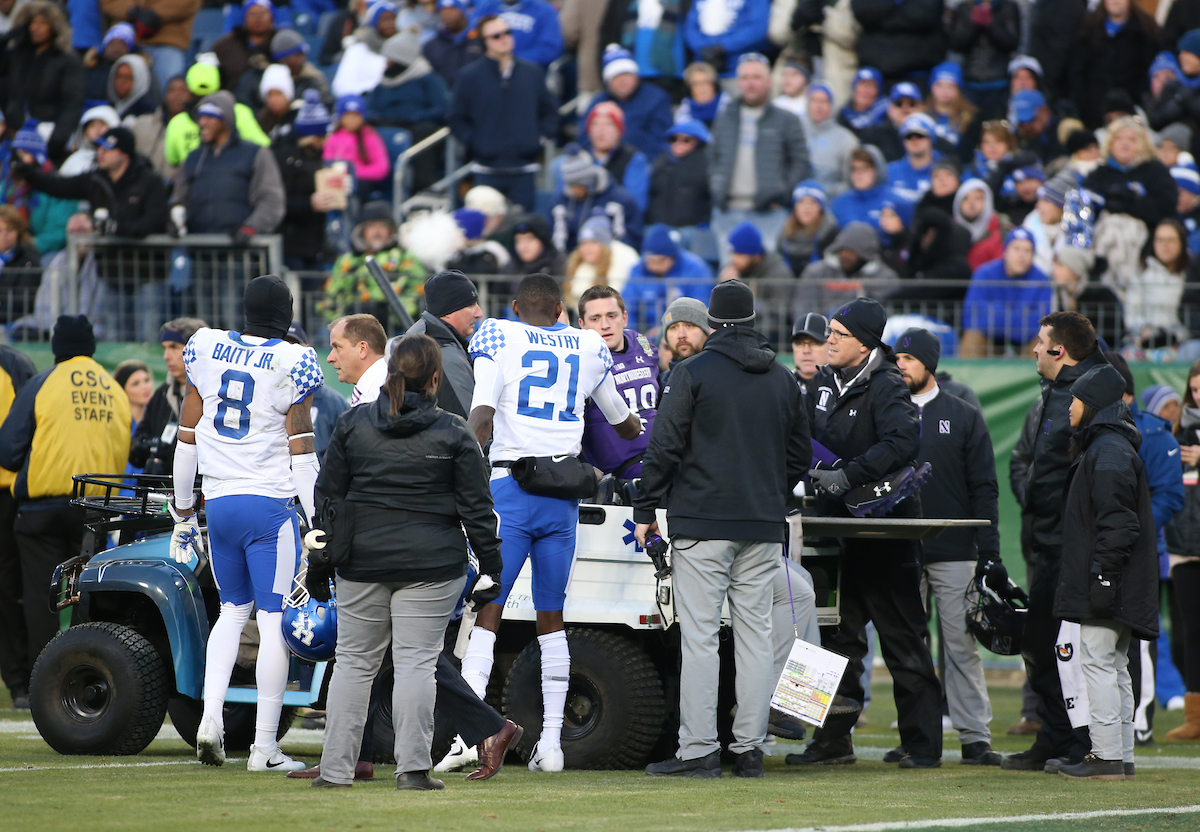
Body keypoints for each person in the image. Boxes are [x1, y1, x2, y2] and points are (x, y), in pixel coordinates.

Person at [307, 332, 506, 790]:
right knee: (417, 664)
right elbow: (478, 509)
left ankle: (336, 771)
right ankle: (413, 771)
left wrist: (320, 563)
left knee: (354, 664)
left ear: (392, 372)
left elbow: (328, 502)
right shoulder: (454, 430)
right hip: (431, 566)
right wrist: (493, 567)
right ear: (435, 377)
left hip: (361, 561)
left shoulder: (355, 423)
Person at [460, 274, 642, 772]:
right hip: (562, 497)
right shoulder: (588, 346)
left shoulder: (500, 335)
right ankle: (554, 746)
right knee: (552, 618)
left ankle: (468, 738)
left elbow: (480, 418)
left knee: (488, 612)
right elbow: (624, 423)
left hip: (511, 489)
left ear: (517, 306)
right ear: (562, 309)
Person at [636, 279, 810, 779]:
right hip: (761, 523)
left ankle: (699, 751)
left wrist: (646, 507)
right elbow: (799, 454)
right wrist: (769, 493)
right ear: (754, 320)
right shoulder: (782, 379)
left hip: (702, 524)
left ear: (712, 322)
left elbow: (664, 448)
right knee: (756, 637)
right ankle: (749, 750)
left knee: (702, 639)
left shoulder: (694, 373)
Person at [170, 275, 321, 772]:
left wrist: (183, 512)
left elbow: (187, 436)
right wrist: (319, 518)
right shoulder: (294, 359)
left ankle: (209, 721)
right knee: (274, 618)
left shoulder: (207, 347)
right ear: (287, 313)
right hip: (268, 507)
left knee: (232, 612)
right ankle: (263, 747)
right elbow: (301, 447)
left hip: (219, 502)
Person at [893, 327, 1003, 767]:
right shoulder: (884, 411)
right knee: (907, 647)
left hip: (956, 549)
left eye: (908, 358)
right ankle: (915, 738)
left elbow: (984, 486)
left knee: (961, 644)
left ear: (929, 364)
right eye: (896, 358)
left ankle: (975, 738)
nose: (899, 364)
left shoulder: (963, 413)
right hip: (899, 548)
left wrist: (988, 549)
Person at [1003, 311, 1106, 773]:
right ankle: (1055, 737)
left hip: (1068, 545)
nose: (1033, 349)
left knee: (1060, 647)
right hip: (1048, 540)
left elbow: (1090, 473)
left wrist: (1057, 519)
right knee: (1043, 644)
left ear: (1059, 350)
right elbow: (1037, 466)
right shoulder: (1056, 393)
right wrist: (1032, 504)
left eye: (1039, 342)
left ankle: (1077, 742)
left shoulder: (1085, 397)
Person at [0, 316, 130, 678]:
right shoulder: (114, 388)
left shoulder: (44, 382)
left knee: (45, 598)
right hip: (97, 510)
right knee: (91, 597)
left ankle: (39, 683)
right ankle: (92, 678)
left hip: (42, 509)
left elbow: (7, 450)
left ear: (57, 347)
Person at [1055, 363, 1159, 780]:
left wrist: (1102, 575)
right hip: (1118, 578)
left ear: (1094, 404)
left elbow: (1119, 523)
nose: (1069, 406)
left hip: (1110, 579)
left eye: (1076, 399)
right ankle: (1121, 753)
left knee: (1099, 660)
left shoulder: (1108, 450)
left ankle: (1106, 755)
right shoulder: (1109, 446)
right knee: (1114, 663)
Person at [446, 13, 558, 212]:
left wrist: (537, 138)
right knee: (485, 229)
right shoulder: (469, 77)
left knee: (524, 231)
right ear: (485, 42)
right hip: (486, 169)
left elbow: (549, 111)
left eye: (507, 32)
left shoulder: (532, 73)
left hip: (525, 169)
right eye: (496, 36)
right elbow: (456, 118)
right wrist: (477, 142)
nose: (504, 38)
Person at [709, 52, 810, 257]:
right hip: (727, 212)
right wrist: (717, 187)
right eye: (745, 78)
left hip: (769, 214)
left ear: (769, 81)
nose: (751, 83)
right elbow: (712, 158)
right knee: (729, 279)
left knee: (765, 273)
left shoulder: (786, 120)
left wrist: (781, 194)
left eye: (756, 77)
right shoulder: (724, 117)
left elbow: (800, 162)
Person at [170, 91, 285, 241]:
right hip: (199, 250)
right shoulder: (193, 158)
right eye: (200, 117)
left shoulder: (255, 154)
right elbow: (179, 200)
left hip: (242, 252)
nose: (202, 123)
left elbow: (271, 200)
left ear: (225, 119)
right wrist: (174, 217)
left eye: (209, 117)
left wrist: (252, 227)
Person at [15, 126, 167, 238]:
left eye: (107, 149)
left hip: (146, 268)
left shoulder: (150, 181)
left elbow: (154, 221)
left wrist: (117, 228)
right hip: (107, 269)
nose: (100, 152)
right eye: (99, 148)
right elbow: (59, 186)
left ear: (124, 155)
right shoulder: (95, 179)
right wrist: (29, 174)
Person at [577, 285, 657, 478]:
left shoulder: (642, 344)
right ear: (582, 324)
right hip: (618, 475)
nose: (605, 325)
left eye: (611, 316)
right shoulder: (579, 361)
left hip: (660, 457)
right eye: (595, 319)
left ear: (625, 318)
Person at [0, 342, 36, 710]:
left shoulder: (12, 365)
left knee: (10, 586)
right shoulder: (16, 363)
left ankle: (19, 677)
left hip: (6, 492)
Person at [1165, 362, 1200, 741]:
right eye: (1194, 389)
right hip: (1183, 545)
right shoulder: (1180, 430)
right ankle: (1195, 715)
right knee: (1189, 632)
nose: (1198, 396)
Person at [4, 2, 84, 163]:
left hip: (46, 139)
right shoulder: (19, 56)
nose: (36, 27)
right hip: (13, 136)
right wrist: (11, 35)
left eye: (43, 23)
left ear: (55, 26)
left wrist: (56, 141)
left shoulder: (67, 61)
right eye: (33, 22)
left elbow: (72, 105)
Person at [323, 201, 426, 325]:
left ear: (391, 229)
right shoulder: (347, 260)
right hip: (352, 328)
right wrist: (343, 321)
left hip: (393, 328)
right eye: (371, 226)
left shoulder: (404, 257)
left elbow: (414, 292)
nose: (377, 231)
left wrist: (388, 316)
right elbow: (332, 296)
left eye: (383, 226)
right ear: (362, 230)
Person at [130, 318, 207, 475]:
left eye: (174, 347)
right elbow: (136, 452)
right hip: (160, 493)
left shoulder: (214, 393)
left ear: (195, 349)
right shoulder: (162, 394)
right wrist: (146, 448)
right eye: (164, 348)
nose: (166, 356)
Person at [960, 228, 1052, 358]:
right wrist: (1019, 316)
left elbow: (1043, 324)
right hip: (989, 338)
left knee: (1042, 343)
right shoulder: (984, 273)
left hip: (1025, 341)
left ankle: (1033, 379)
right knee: (972, 337)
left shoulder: (1042, 280)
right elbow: (972, 317)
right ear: (1005, 252)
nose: (1021, 255)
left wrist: (997, 313)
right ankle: (966, 378)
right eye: (1016, 249)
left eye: (1027, 250)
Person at [1069, 0, 1159, 130]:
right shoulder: (1089, 27)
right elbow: (1077, 70)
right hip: (1092, 111)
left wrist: (1135, 103)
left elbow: (1149, 71)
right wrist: (1084, 103)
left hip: (1130, 111)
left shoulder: (1145, 29)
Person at [403, 270, 482, 418]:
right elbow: (471, 426)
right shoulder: (444, 355)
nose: (479, 313)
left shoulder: (420, 338)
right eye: (471, 305)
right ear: (448, 311)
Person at [164, 61, 271, 171]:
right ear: (219, 84)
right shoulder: (239, 112)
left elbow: (173, 161)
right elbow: (264, 148)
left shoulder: (177, 122)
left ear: (189, 89)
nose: (203, 122)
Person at [273, 91, 334, 271]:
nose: (323, 142)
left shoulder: (322, 157)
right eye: (319, 137)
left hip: (317, 242)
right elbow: (278, 202)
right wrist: (309, 203)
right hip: (292, 244)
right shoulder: (282, 158)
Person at [550, 146, 643, 253]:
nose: (574, 190)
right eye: (571, 185)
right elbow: (553, 237)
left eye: (578, 185)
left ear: (588, 182)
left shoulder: (618, 199)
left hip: (609, 261)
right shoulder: (560, 201)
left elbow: (631, 239)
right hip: (572, 262)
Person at [946, 0, 1021, 112]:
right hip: (970, 81)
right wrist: (973, 24)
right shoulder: (964, 7)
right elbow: (956, 45)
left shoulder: (1008, 7)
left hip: (999, 82)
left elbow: (1011, 43)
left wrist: (990, 23)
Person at [646, 120, 713, 234]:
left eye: (686, 140)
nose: (679, 143)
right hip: (659, 227)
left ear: (698, 141)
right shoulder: (660, 162)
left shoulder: (706, 164)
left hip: (692, 229)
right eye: (674, 139)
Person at [561, 215, 639, 307]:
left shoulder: (618, 263)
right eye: (584, 243)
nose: (588, 248)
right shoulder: (578, 266)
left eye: (594, 242)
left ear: (604, 246)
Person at [801, 83, 859, 198]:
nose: (819, 106)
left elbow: (850, 181)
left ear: (832, 105)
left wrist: (823, 192)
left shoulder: (846, 139)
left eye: (824, 101)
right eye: (814, 101)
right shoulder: (795, 130)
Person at [130, 74, 192, 180]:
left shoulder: (195, 129)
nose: (177, 95)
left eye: (183, 90)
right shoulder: (141, 123)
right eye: (172, 90)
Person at [324, 94, 390, 194]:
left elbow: (381, 168)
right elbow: (327, 162)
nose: (352, 120)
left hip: (361, 184)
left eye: (356, 115)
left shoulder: (370, 136)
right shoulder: (333, 137)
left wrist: (353, 172)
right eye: (348, 115)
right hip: (336, 182)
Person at [213, 0, 278, 93]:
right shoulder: (225, 44)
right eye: (253, 14)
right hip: (233, 98)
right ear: (245, 16)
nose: (258, 18)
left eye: (262, 13)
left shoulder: (282, 42)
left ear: (272, 15)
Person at [778, 180, 839, 276]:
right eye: (801, 202)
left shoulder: (831, 234)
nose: (806, 208)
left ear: (821, 207)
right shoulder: (784, 234)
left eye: (813, 202)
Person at [326, 313, 388, 407]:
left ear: (362, 349)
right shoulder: (374, 391)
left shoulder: (387, 391)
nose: (330, 358)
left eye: (337, 347)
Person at [422, 0, 482, 89]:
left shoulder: (480, 39)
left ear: (462, 10)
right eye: (442, 11)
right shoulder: (431, 46)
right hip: (445, 95)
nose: (446, 15)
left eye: (452, 10)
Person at [659, 296, 710, 390]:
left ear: (706, 332)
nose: (681, 335)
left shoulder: (722, 376)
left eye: (689, 325)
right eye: (674, 327)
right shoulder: (659, 385)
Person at [954, 178, 1005, 270]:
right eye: (965, 198)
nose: (971, 203)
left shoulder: (1002, 233)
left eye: (978, 198)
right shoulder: (948, 232)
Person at [675, 61, 729, 128]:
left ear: (714, 85)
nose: (702, 87)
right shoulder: (683, 114)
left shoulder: (729, 107)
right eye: (696, 84)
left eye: (706, 82)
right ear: (689, 89)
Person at [790, 311, 827, 402]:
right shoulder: (782, 384)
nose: (806, 351)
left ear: (830, 345)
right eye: (799, 343)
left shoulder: (841, 386)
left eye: (815, 343)